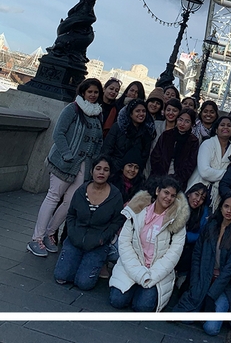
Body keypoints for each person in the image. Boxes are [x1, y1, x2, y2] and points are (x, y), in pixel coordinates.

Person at [29, 78, 104, 257]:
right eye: (90, 92)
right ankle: (36, 238)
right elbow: (58, 132)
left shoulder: (97, 114)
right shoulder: (73, 109)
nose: (93, 95)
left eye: (95, 92)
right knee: (53, 196)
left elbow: (98, 139)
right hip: (64, 162)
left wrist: (93, 161)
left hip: (83, 166)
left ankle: (50, 232)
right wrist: (67, 154)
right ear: (83, 92)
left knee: (70, 202)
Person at [173, 192, 231, 336]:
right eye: (226, 206)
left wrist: (211, 295)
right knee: (184, 317)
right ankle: (201, 306)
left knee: (211, 328)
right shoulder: (211, 225)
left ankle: (208, 306)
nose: (228, 211)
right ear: (220, 207)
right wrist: (195, 282)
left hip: (224, 285)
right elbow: (197, 254)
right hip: (204, 277)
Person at [109, 176, 188, 311]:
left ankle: (140, 292)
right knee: (117, 301)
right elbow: (124, 243)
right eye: (166, 193)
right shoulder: (137, 211)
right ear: (158, 191)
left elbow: (173, 256)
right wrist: (139, 273)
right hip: (133, 266)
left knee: (142, 307)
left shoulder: (177, 221)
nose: (168, 198)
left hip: (156, 273)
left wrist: (151, 276)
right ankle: (133, 288)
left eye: (173, 196)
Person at [53, 155, 125, 289]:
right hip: (76, 238)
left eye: (105, 169)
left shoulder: (115, 196)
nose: (101, 172)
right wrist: (73, 234)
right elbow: (71, 215)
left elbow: (117, 221)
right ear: (92, 171)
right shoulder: (81, 191)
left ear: (109, 173)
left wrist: (103, 239)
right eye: (98, 168)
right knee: (61, 276)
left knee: (84, 283)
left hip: (98, 243)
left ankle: (96, 264)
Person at [188, 115, 231, 210]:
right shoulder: (207, 144)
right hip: (197, 191)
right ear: (216, 129)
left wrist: (217, 174)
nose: (225, 127)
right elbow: (205, 172)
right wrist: (227, 174)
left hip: (217, 197)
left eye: (229, 125)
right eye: (222, 125)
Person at [150, 109, 201, 188]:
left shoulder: (193, 141)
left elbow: (190, 165)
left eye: (187, 121)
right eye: (180, 120)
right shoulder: (166, 135)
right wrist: (160, 175)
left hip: (178, 180)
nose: (182, 124)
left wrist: (177, 178)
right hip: (158, 176)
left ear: (192, 124)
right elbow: (155, 155)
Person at [103, 98, 154, 174]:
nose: (141, 114)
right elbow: (106, 150)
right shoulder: (118, 127)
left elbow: (144, 156)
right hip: (115, 171)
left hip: (134, 174)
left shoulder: (147, 132)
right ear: (130, 113)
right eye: (137, 111)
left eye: (144, 111)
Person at [177, 182, 211, 282]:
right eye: (196, 194)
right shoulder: (178, 205)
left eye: (202, 198)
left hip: (188, 255)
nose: (198, 199)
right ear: (189, 193)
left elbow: (202, 234)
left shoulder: (204, 213)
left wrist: (185, 237)